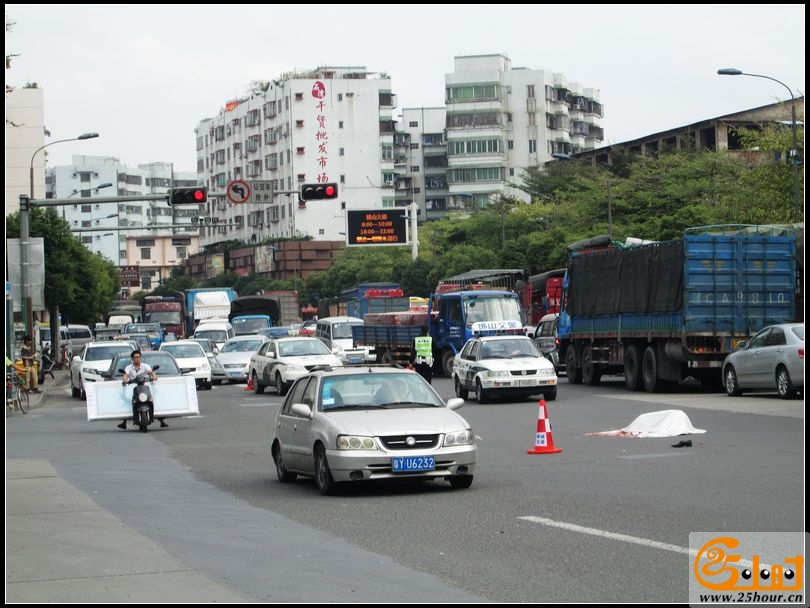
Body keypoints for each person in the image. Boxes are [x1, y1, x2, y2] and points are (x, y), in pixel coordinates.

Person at [119, 350, 165, 430]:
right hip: (133, 387)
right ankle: (124, 421)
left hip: (144, 387)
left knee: (154, 398)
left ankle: (161, 420)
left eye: (139, 357)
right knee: (127, 402)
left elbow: (151, 372)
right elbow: (125, 375)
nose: (137, 359)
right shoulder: (128, 367)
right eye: (136, 357)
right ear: (132, 359)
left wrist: (154, 377)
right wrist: (125, 380)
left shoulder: (145, 366)